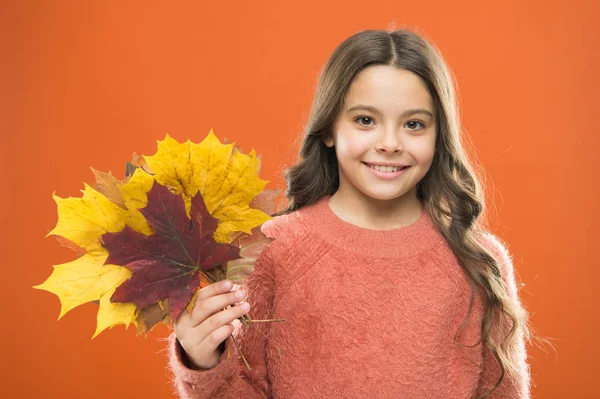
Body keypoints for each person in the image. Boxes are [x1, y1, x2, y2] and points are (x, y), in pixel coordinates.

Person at [167, 28, 532, 399]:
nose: (389, 143)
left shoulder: (478, 261)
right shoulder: (270, 250)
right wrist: (204, 362)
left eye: (414, 124)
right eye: (365, 120)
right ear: (328, 129)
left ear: (439, 137)